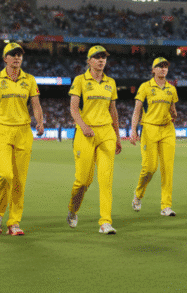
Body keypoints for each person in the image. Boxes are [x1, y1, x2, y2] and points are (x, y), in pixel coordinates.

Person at [0, 43, 44, 236]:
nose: (17, 58)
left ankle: (14, 222)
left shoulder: (29, 80)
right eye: (12, 55)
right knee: (5, 174)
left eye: (19, 55)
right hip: (2, 132)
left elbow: (36, 104)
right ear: (5, 58)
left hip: (24, 132)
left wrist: (40, 121)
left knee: (20, 181)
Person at [66, 45, 121, 234]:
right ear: (88, 61)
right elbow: (73, 108)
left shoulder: (110, 82)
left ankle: (105, 221)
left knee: (106, 179)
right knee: (83, 181)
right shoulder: (80, 80)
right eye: (97, 57)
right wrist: (83, 126)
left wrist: (118, 136)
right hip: (85, 134)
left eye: (104, 57)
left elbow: (113, 111)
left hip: (106, 133)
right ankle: (73, 210)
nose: (101, 60)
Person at [130, 57, 179, 216]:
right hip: (150, 129)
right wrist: (133, 130)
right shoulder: (145, 87)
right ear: (153, 70)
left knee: (167, 169)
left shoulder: (171, 89)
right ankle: (138, 195)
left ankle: (166, 206)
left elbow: (173, 109)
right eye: (159, 66)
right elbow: (137, 110)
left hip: (167, 130)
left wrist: (174, 113)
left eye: (165, 66)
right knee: (150, 168)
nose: (163, 69)